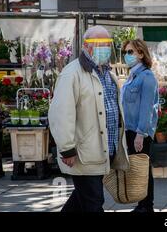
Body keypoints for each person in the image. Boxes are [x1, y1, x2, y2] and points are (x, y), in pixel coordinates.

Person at [49, 25, 129, 212]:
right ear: (86, 46)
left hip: (103, 152)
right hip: (84, 153)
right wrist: (67, 148)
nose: (105, 48)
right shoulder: (72, 73)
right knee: (94, 202)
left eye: (107, 44)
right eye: (99, 44)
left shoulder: (108, 74)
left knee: (81, 199)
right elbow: (61, 113)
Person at [121, 39, 159, 211]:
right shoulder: (132, 75)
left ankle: (146, 205)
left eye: (131, 52)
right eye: (126, 52)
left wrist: (140, 133)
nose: (127, 55)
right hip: (130, 130)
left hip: (139, 131)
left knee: (143, 169)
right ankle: (142, 204)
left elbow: (147, 108)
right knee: (138, 169)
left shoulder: (147, 77)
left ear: (141, 54)